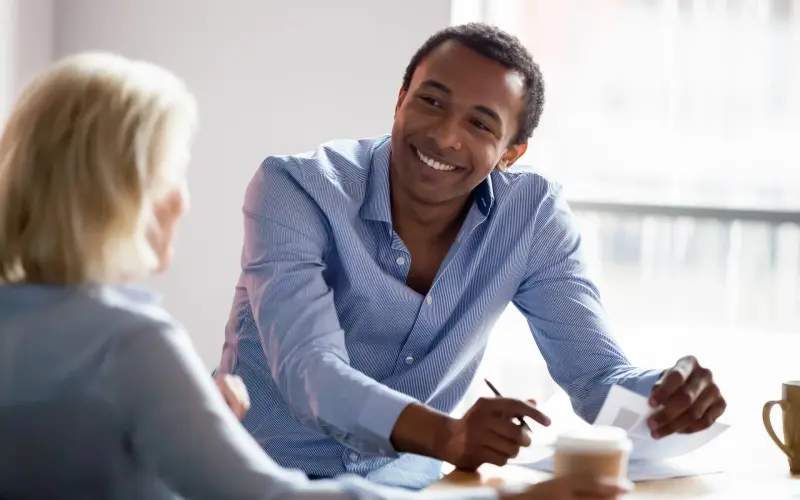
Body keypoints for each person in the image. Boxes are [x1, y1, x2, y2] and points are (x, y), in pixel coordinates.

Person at [0, 52, 627, 500]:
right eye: (172, 174)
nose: (182, 200)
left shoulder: (105, 345)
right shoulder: (135, 342)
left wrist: (176, 426)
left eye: (480, 122)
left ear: (511, 152)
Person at [219, 22, 727, 490]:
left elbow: (598, 378)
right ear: (400, 101)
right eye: (431, 102)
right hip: (255, 480)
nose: (444, 136)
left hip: (409, 489)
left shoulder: (531, 219)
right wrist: (449, 437)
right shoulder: (296, 188)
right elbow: (311, 372)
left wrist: (666, 394)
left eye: (481, 125)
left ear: (511, 152)